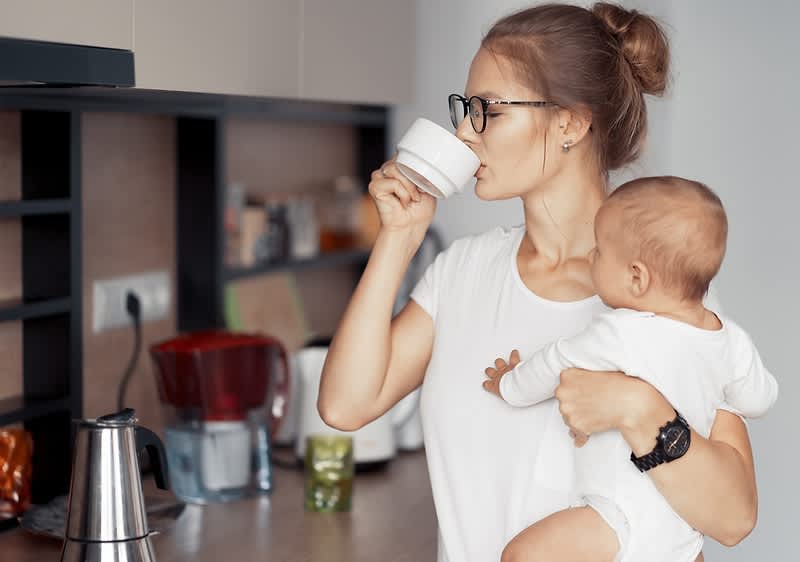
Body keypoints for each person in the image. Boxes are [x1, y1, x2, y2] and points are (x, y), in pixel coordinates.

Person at [319, 4, 760, 561]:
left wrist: (638, 406)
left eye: (488, 111)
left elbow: (734, 517)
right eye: (464, 108)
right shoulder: (464, 270)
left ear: (570, 123)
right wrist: (398, 238)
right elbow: (345, 405)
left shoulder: (660, 295)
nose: (463, 132)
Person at [482, 176, 778, 562]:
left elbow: (555, 362)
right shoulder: (731, 339)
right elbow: (760, 398)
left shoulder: (620, 331)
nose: (591, 259)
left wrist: (510, 384)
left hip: (617, 515)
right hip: (680, 529)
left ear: (637, 277)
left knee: (520, 556)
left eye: (599, 252)